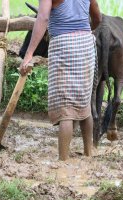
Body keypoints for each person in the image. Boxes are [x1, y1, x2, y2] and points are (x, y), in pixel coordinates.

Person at [20, 0, 102, 161]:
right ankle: (88, 154)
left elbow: (43, 18)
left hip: (64, 45)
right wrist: (82, 31)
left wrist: (29, 53)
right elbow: (97, 17)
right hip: (86, 44)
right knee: (84, 103)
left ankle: (63, 161)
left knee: (66, 110)